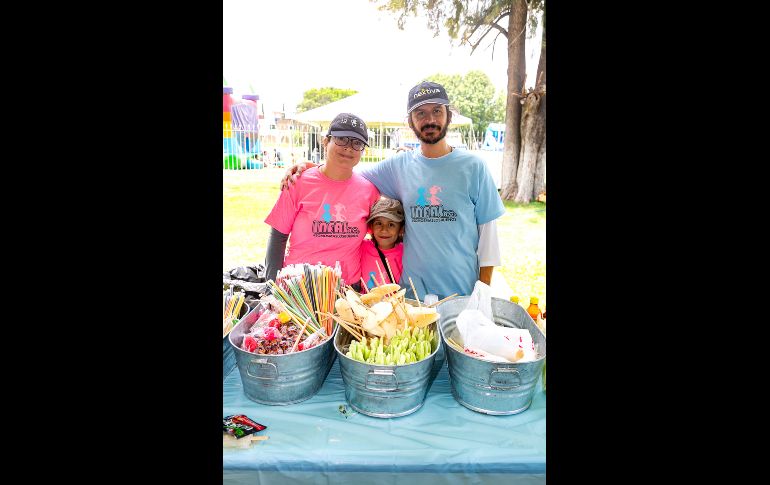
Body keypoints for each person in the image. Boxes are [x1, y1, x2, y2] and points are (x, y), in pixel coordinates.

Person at [281, 81, 505, 300]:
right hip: (412, 295)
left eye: (437, 111)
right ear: (410, 121)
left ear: (448, 115)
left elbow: (489, 239)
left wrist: (482, 294)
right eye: (420, 114)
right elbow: (347, 174)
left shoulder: (474, 167)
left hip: (462, 293)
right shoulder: (398, 166)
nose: (430, 119)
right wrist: (313, 167)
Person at [264, 112, 380, 290]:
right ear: (326, 142)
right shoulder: (298, 182)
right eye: (342, 139)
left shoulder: (369, 191)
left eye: (357, 143)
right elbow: (278, 237)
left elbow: (379, 238)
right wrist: (272, 287)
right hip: (299, 287)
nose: (349, 148)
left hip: (347, 290)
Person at [361, 196, 405, 292]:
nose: (384, 230)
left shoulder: (406, 252)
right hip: (365, 304)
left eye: (391, 224)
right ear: (371, 227)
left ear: (401, 229)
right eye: (379, 223)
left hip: (393, 305)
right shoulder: (362, 247)